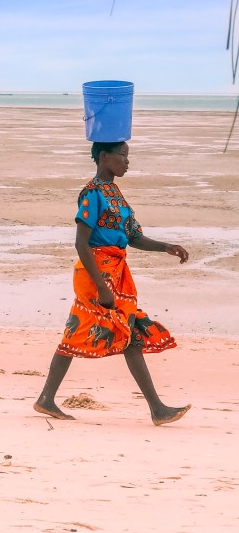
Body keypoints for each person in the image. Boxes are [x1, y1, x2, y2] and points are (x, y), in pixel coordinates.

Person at [34, 141, 191, 426]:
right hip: (96, 274)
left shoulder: (115, 194)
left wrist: (166, 246)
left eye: (127, 156)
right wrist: (102, 287)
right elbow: (81, 244)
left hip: (114, 271)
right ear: (104, 157)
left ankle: (46, 399)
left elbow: (133, 237)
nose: (127, 161)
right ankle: (157, 408)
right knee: (128, 333)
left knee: (87, 333)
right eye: (123, 155)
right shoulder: (92, 194)